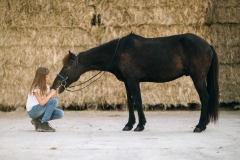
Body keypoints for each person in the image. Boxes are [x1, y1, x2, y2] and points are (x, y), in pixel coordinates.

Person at [26, 67, 64, 132]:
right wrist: (50, 94)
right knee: (54, 101)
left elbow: (47, 100)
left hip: (40, 110)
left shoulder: (46, 87)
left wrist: (53, 93)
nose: (48, 78)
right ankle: (43, 123)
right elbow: (42, 103)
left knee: (60, 113)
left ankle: (38, 121)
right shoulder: (36, 88)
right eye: (47, 77)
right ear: (41, 78)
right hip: (33, 111)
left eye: (49, 76)